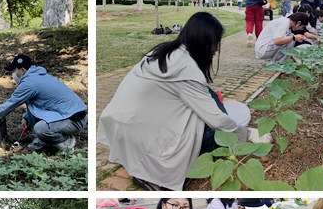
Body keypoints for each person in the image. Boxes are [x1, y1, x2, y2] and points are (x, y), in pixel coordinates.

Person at [98, 12, 271, 191]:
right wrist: (248, 134)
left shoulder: (162, 52)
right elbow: (216, 119)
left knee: (207, 100)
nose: (217, 49)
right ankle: (153, 177)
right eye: (215, 43)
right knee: (217, 137)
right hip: (144, 138)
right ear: (203, 42)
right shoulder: (185, 68)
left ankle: (143, 163)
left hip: (124, 130)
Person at [0, 54, 87, 154]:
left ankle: (66, 142)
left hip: (74, 119)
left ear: (22, 70)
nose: (13, 75)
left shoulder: (29, 83)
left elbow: (12, 102)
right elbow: (37, 102)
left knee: (40, 129)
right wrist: (26, 117)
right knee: (31, 108)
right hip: (66, 114)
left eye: (14, 71)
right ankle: (43, 139)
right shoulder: (37, 76)